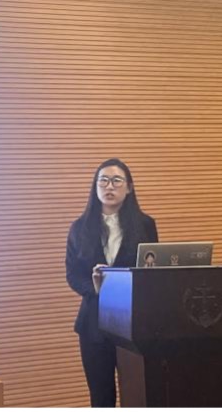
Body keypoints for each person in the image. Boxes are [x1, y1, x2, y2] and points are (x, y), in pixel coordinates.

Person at [66, 158, 158, 407]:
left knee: (138, 393)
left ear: (129, 187)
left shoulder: (145, 225)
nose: (109, 186)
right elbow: (73, 274)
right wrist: (94, 287)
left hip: (135, 323)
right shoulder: (79, 228)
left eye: (116, 181)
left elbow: (151, 268)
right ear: (95, 187)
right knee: (101, 396)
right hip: (93, 323)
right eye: (103, 181)